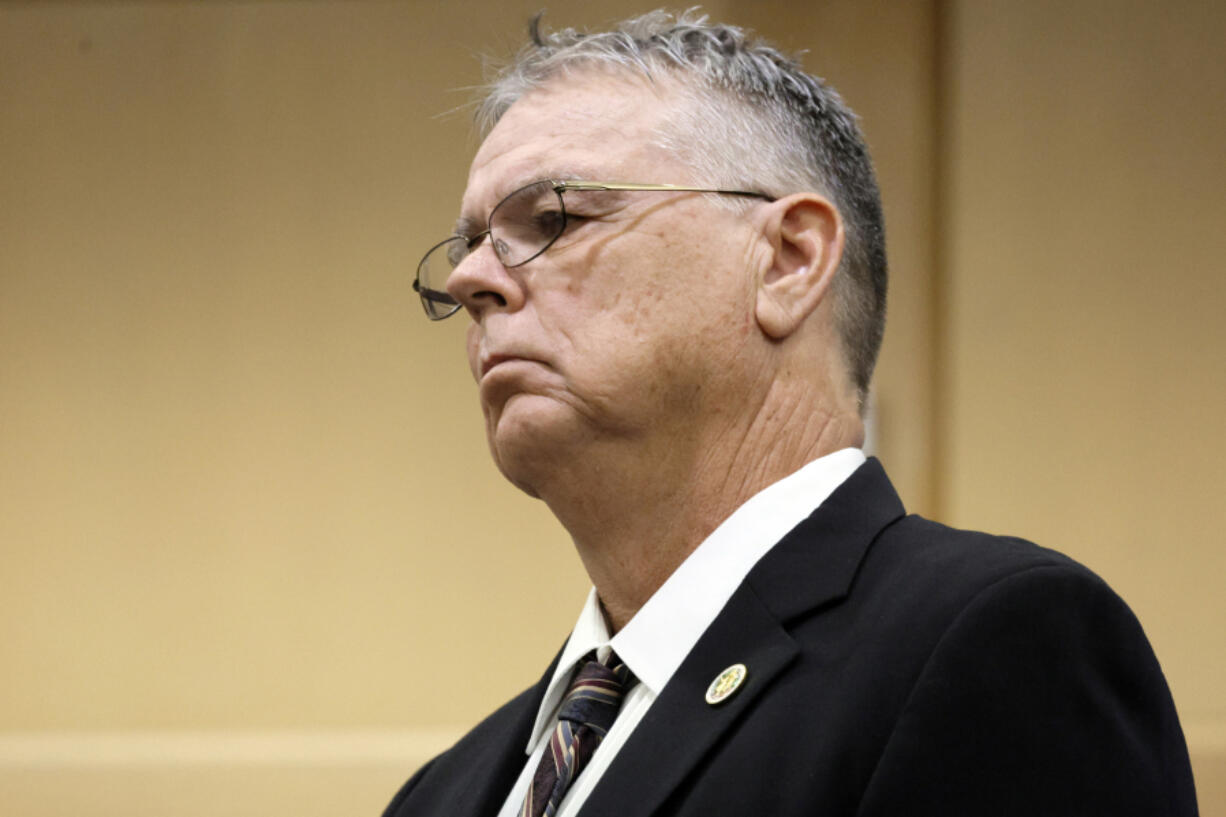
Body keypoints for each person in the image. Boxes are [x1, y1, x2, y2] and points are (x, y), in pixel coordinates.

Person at [388, 10, 1197, 817]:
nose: (472, 283)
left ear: (787, 261)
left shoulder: (997, 648)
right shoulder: (441, 791)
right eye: (471, 247)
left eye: (554, 218)